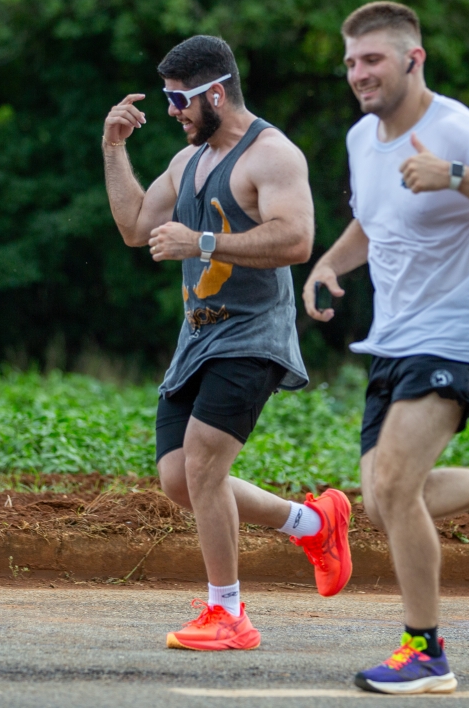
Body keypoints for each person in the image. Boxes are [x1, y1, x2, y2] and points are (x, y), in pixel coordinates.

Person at [303, 2, 469, 694]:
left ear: (413, 59)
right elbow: (373, 221)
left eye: (372, 59)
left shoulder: (456, 129)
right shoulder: (361, 138)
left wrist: (454, 174)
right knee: (383, 499)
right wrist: (331, 262)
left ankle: (425, 652)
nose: (359, 73)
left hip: (456, 335)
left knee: (395, 487)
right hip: (392, 339)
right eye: (351, 62)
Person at [102, 35, 353, 651]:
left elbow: (296, 239)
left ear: (215, 93)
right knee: (179, 479)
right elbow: (135, 227)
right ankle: (313, 523)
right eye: (166, 99)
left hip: (253, 336)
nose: (171, 112)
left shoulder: (272, 155)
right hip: (197, 339)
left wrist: (202, 242)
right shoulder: (187, 162)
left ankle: (228, 614)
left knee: (204, 464)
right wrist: (113, 147)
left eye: (179, 99)